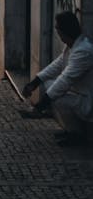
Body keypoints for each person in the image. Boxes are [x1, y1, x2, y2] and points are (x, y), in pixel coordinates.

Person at [22, 11, 93, 145]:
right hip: (80, 93)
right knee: (49, 85)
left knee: (57, 96)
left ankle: (76, 134)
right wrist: (35, 82)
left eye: (58, 29)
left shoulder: (83, 51)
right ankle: (71, 130)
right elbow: (57, 65)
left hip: (88, 99)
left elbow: (65, 80)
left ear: (64, 31)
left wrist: (40, 106)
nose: (57, 33)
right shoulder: (73, 45)